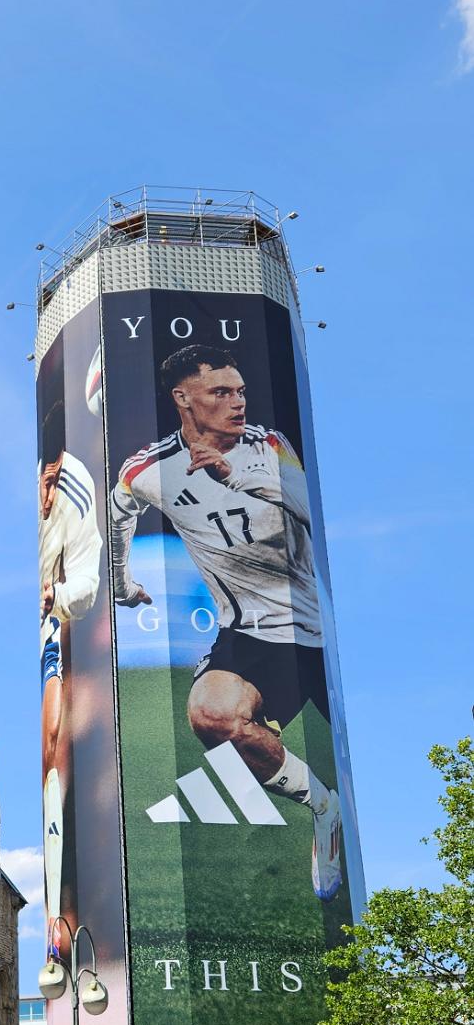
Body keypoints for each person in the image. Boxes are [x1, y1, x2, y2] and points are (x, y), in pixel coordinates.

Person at [111, 344, 342, 901]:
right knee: (213, 716)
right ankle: (323, 807)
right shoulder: (149, 469)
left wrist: (238, 478)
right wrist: (121, 582)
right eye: (221, 392)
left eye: (240, 391)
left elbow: (309, 509)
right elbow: (118, 513)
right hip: (249, 633)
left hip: (312, 631)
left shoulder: (268, 446)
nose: (238, 402)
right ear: (183, 398)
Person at [38, 395, 104, 935]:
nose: (45, 493)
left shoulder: (77, 486)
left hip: (71, 630)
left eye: (52, 479)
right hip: (48, 634)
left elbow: (88, 574)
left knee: (64, 747)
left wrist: (56, 596)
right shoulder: (45, 488)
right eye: (43, 479)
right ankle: (62, 912)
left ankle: (71, 916)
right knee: (50, 749)